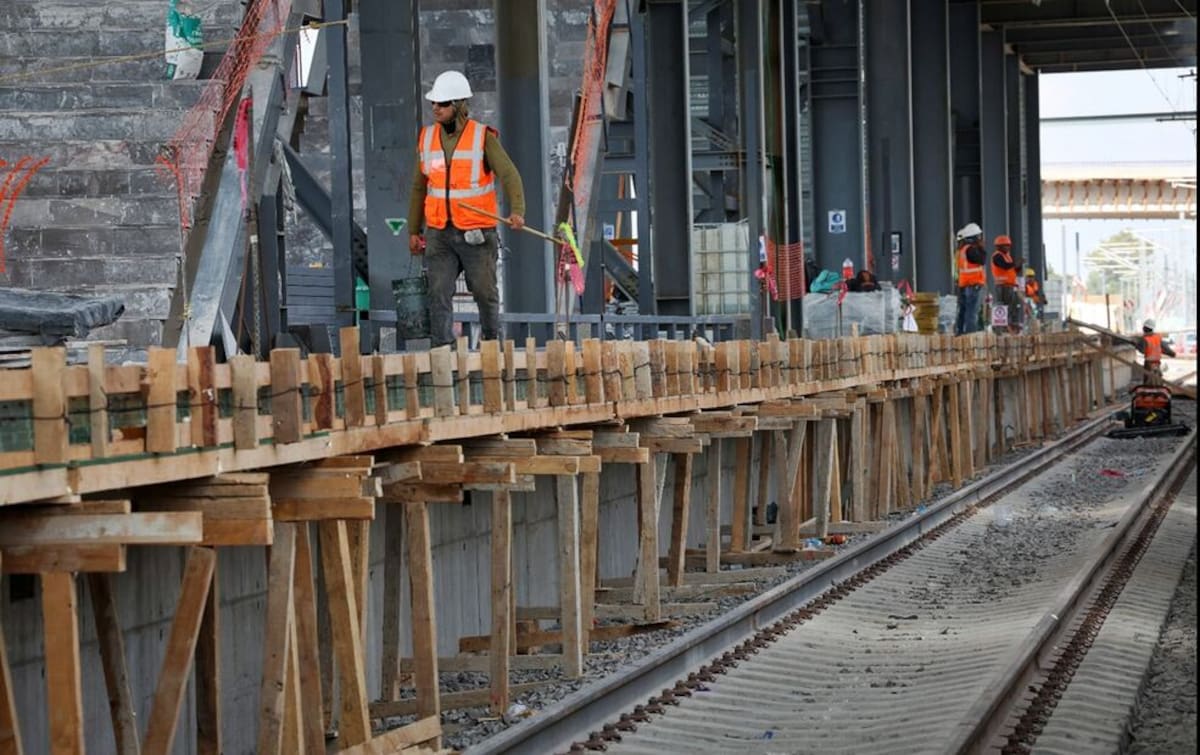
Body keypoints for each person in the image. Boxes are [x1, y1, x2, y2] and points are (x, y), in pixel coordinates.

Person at [408, 71, 526, 347]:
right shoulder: (427, 138)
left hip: (477, 232)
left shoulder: (482, 137)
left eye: (442, 103)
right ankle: (442, 350)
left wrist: (517, 210)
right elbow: (418, 188)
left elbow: (509, 174)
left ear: (459, 106)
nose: (436, 108)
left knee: (485, 292)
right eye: (434, 103)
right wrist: (413, 230)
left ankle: (490, 343)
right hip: (439, 232)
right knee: (438, 292)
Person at [953, 222, 987, 335]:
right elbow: (982, 260)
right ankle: (970, 334)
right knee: (972, 312)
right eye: (979, 236)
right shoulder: (971, 250)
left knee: (964, 311)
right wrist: (981, 248)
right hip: (973, 285)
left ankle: (960, 333)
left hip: (965, 284)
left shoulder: (963, 250)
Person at [990, 234, 1021, 333]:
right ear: (999, 246)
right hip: (1002, 285)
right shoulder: (997, 256)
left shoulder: (1007, 256)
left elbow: (1011, 270)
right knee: (1002, 307)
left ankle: (1008, 326)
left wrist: (1018, 266)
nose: (1008, 247)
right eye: (1005, 245)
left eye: (1008, 245)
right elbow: (1005, 266)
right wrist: (1015, 264)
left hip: (1009, 285)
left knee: (1010, 307)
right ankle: (1001, 327)